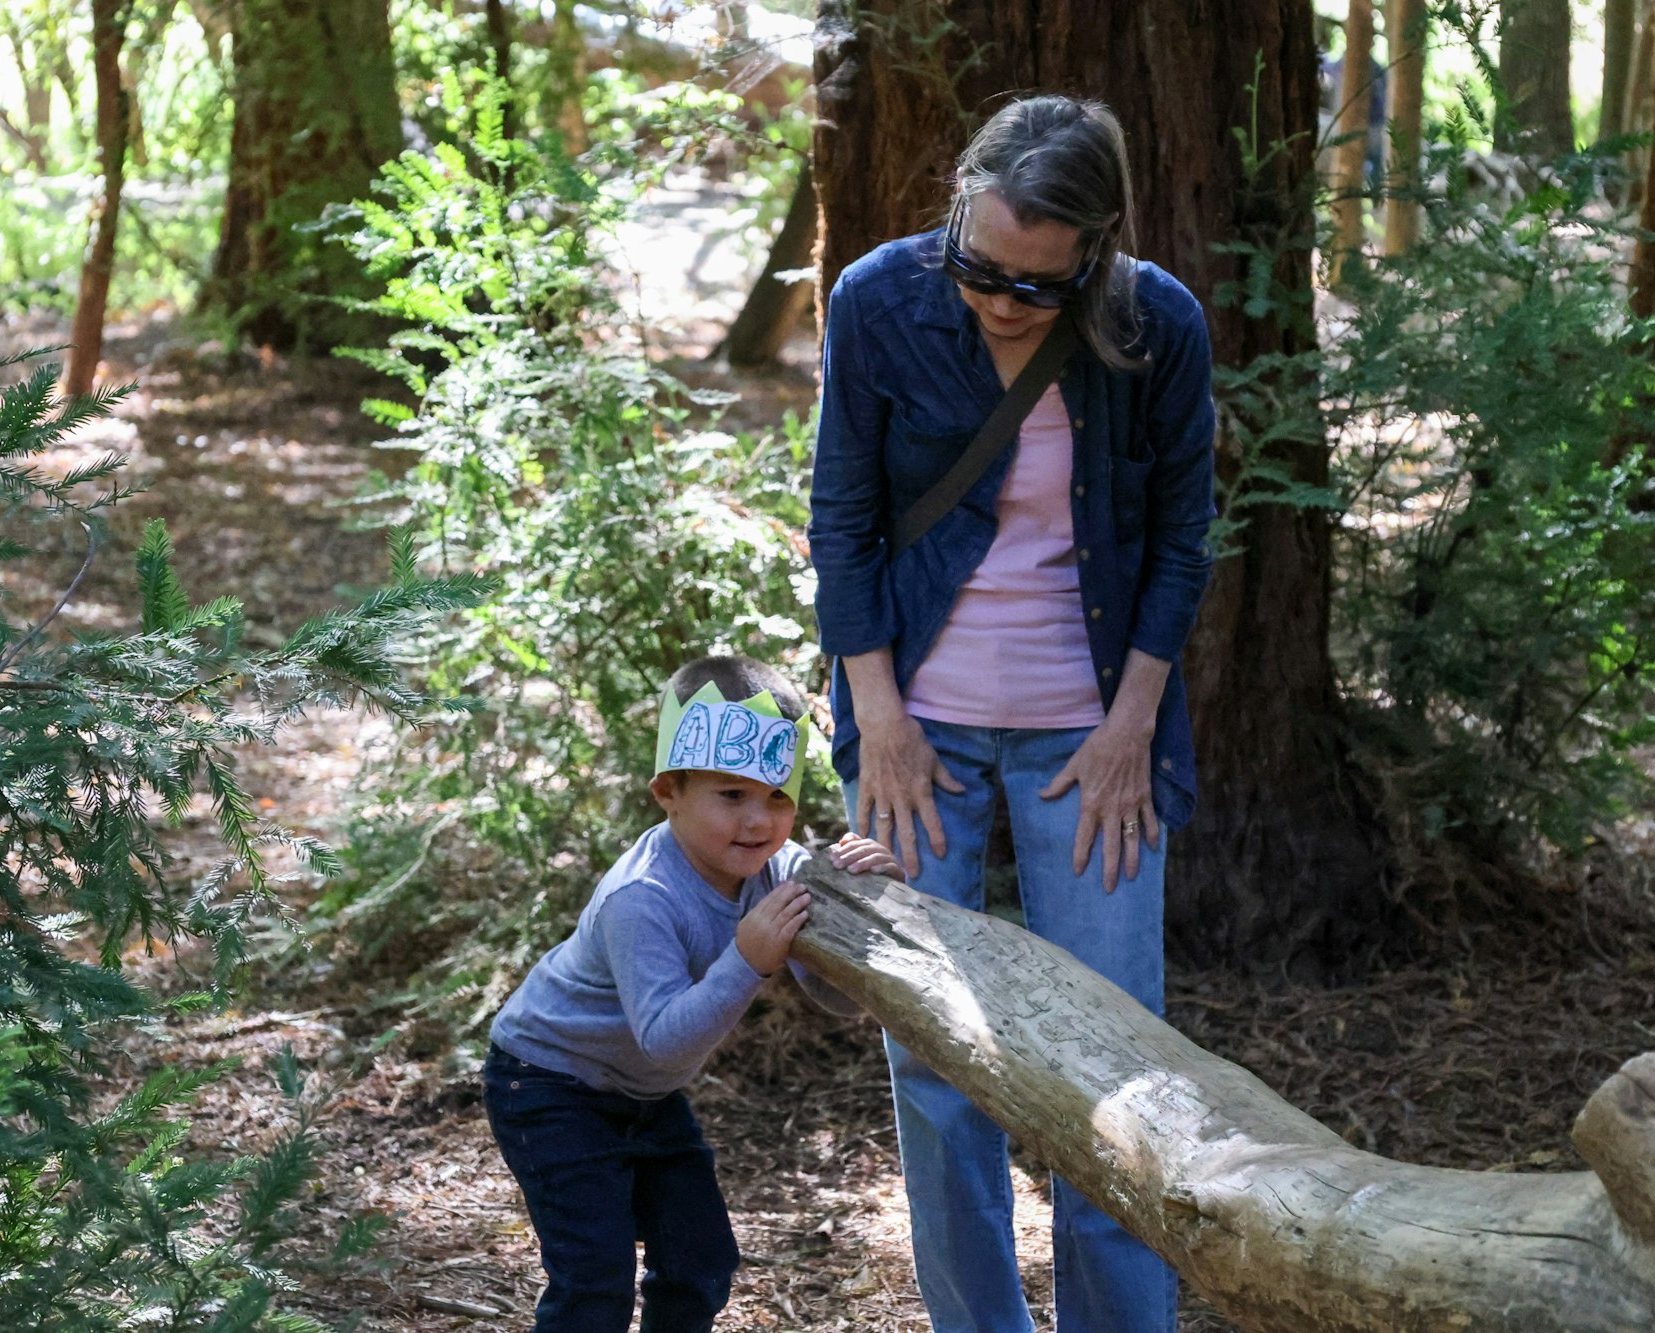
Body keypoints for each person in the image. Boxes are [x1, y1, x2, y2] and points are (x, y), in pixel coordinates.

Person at [808, 95, 1217, 1333]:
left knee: (1113, 1076)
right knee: (933, 1077)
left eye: (1037, 287)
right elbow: (842, 520)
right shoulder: (877, 300)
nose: (1001, 301)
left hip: (1089, 741)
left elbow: (1181, 542)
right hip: (911, 736)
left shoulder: (1157, 326)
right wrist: (873, 713)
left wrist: (1130, 724)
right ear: (956, 210)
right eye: (981, 269)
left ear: (1093, 252)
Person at [483, 653, 901, 1333]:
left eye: (776, 797)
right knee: (594, 1277)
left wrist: (874, 903)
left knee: (700, 1258)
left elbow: (837, 997)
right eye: (730, 795)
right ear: (668, 791)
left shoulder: (776, 869)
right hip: (548, 1084)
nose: (757, 821)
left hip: (644, 1093)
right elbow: (665, 1035)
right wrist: (745, 960)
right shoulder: (642, 898)